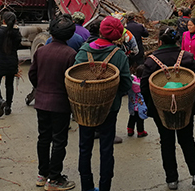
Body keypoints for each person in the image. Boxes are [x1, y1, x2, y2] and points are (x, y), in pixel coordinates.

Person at [140, 27, 195, 190]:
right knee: (187, 139)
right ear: (177, 40)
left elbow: (144, 87)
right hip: (185, 108)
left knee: (166, 141)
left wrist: (153, 107)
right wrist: (194, 103)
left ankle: (172, 179)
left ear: (159, 41)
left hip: (161, 110)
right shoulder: (188, 58)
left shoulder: (150, 61)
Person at [73, 16, 132, 191]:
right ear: (117, 36)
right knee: (106, 149)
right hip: (109, 108)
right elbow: (127, 83)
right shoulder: (119, 55)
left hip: (86, 108)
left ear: (100, 30)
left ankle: (87, 187)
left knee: (85, 148)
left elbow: (74, 76)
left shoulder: (84, 51)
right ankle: (104, 187)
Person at [29, 14, 77, 191]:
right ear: (69, 35)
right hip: (60, 104)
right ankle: (55, 178)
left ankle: (42, 174)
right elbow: (72, 82)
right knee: (59, 141)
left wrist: (41, 88)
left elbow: (32, 75)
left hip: (41, 102)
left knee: (43, 137)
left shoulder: (41, 51)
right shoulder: (71, 54)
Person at [127, 65, 148, 138]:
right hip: (140, 105)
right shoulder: (143, 83)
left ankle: (130, 130)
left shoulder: (132, 81)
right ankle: (140, 132)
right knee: (140, 119)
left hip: (133, 104)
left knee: (132, 117)